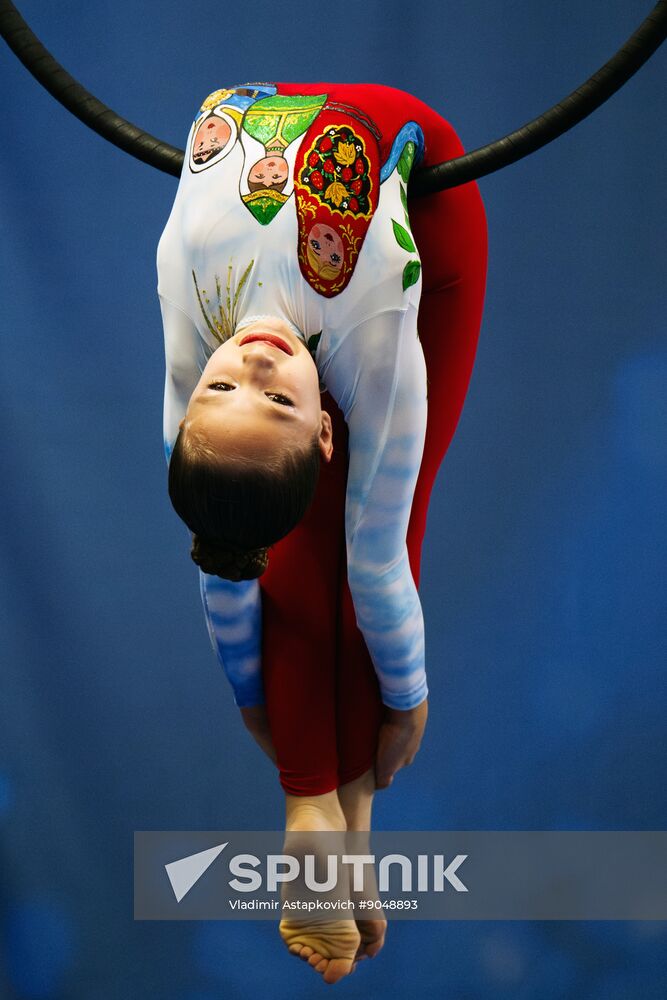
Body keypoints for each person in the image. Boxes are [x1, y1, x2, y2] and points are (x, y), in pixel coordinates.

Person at [158, 80, 487, 983]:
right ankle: (333, 830)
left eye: (222, 388)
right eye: (278, 398)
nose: (252, 364)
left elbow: (372, 564)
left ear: (191, 394)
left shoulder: (344, 317)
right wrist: (399, 696)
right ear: (326, 427)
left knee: (371, 519)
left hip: (422, 180)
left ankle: (321, 809)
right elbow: (226, 562)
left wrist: (267, 707)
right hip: (336, 236)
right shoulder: (351, 343)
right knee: (285, 519)